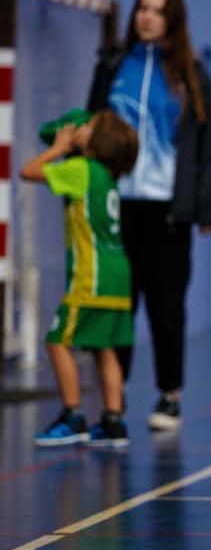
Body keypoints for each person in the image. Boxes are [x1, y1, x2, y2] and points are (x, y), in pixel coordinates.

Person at [86, 0, 211, 431]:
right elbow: (89, 128)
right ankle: (114, 393)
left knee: (166, 306)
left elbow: (207, 147)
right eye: (142, 8)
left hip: (167, 210)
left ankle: (169, 395)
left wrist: (206, 210)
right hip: (117, 204)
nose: (147, 16)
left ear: (172, 20)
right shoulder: (112, 65)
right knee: (117, 303)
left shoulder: (191, 76)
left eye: (157, 10)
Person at [21, 110, 139, 447]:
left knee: (57, 340)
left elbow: (28, 172)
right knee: (104, 347)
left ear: (99, 141)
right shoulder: (107, 175)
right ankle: (113, 421)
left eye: (88, 126)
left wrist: (58, 148)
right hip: (119, 273)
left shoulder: (82, 170)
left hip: (92, 274)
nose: (80, 126)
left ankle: (73, 416)